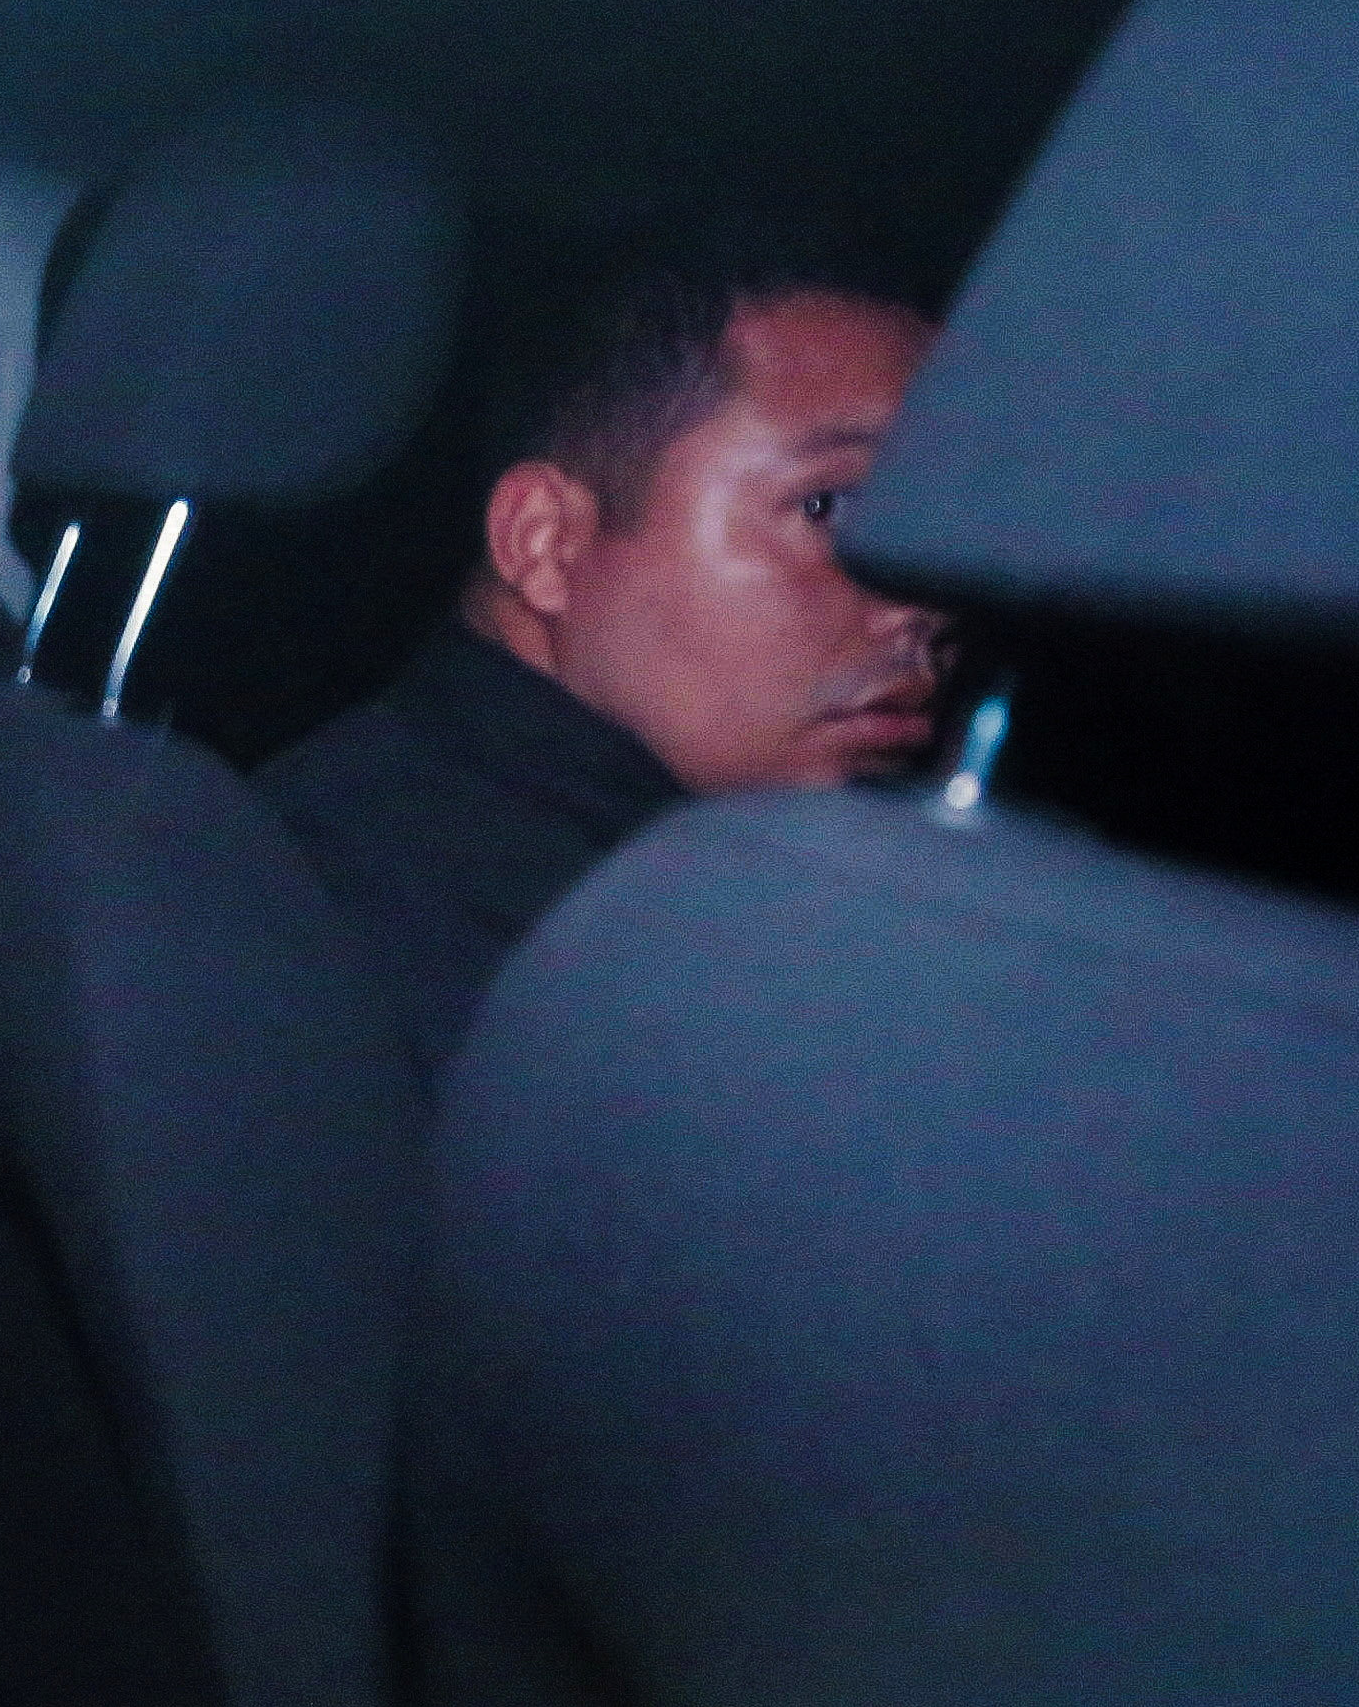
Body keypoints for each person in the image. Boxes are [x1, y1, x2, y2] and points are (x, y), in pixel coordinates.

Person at [261, 230, 945, 1075]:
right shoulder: (484, 965)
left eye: (941, 526)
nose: (926, 605)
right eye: (829, 508)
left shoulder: (414, 835)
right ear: (545, 543)